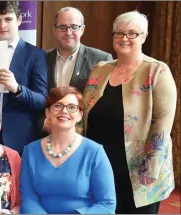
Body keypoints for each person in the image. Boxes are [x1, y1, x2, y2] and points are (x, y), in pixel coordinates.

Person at [82, 11, 176, 214]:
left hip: (139, 172)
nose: (124, 38)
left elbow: (162, 123)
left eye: (132, 33)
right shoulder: (100, 69)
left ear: (144, 36)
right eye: (119, 33)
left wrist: (151, 167)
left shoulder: (157, 71)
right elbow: (84, 112)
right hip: (100, 166)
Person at [20, 86, 116, 214]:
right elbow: (28, 200)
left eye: (71, 107)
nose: (64, 111)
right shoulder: (30, 151)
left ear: (80, 115)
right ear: (47, 112)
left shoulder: (94, 152)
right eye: (57, 106)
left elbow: (106, 204)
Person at [0, 1, 48, 154]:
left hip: (19, 139)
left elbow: (42, 101)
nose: (2, 25)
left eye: (8, 19)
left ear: (19, 20)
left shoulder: (35, 55)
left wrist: (17, 89)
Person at [41, 7, 113, 134]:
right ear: (55, 30)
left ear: (82, 29)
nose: (68, 32)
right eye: (62, 27)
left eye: (74, 27)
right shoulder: (41, 58)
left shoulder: (101, 60)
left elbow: (104, 105)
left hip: (85, 137)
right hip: (47, 135)